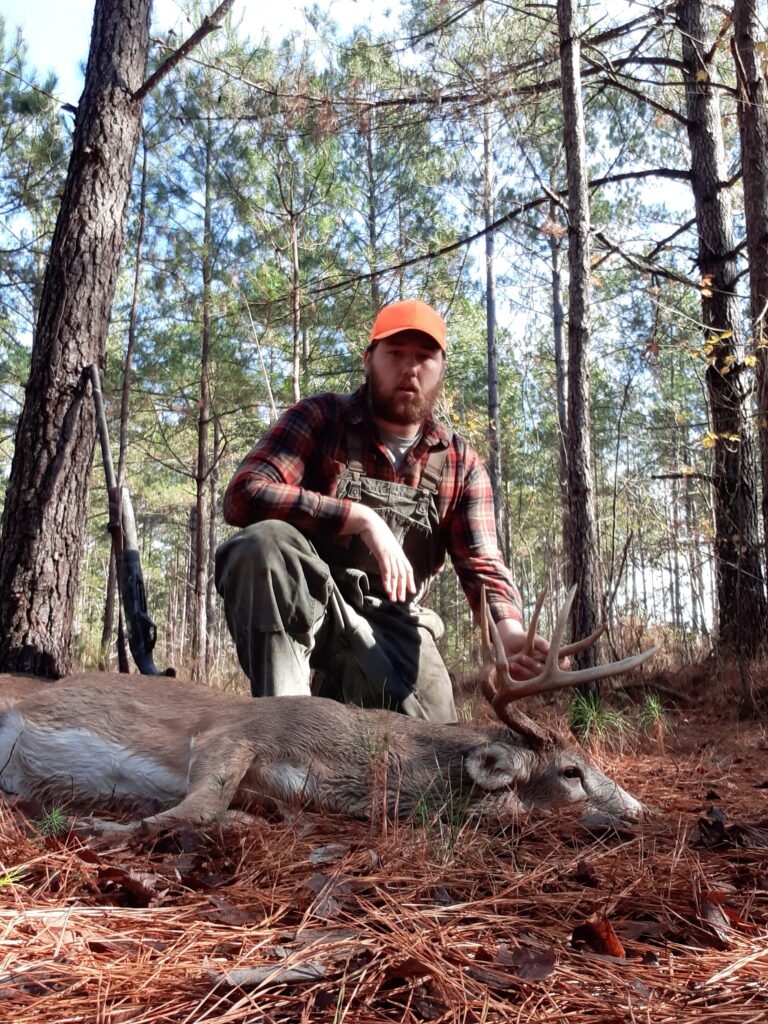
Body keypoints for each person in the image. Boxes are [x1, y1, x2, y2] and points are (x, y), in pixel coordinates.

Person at [215, 299, 549, 723]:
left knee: (439, 762)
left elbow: (482, 564)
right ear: (368, 359)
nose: (410, 368)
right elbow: (245, 493)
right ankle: (285, 733)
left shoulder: (460, 463)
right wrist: (360, 518)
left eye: (424, 357)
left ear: (441, 368)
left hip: (396, 624)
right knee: (261, 545)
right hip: (311, 604)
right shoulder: (320, 419)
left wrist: (510, 633)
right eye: (395, 354)